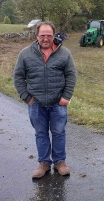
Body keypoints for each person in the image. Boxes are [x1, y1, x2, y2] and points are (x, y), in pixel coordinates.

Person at [13, 21, 77, 178]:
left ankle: (60, 162)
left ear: (53, 36)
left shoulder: (64, 53)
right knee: (41, 133)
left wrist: (66, 97)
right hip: (36, 103)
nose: (46, 38)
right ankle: (44, 163)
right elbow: (18, 77)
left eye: (49, 35)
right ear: (37, 36)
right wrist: (27, 98)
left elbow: (71, 75)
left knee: (59, 132)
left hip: (58, 103)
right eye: (43, 35)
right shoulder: (25, 54)